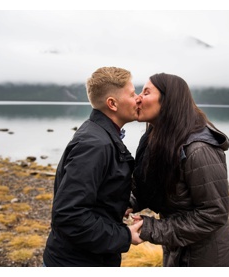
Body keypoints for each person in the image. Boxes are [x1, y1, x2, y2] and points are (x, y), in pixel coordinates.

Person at [129, 73, 229, 267]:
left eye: (146, 92)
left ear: (168, 101)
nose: (137, 98)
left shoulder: (199, 150)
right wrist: (128, 202)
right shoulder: (157, 139)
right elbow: (153, 186)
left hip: (207, 256)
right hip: (178, 247)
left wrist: (153, 228)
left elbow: (214, 214)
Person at [43, 66, 143, 266]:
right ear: (112, 104)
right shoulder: (95, 144)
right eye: (132, 94)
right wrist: (124, 236)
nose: (138, 98)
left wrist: (120, 204)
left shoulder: (101, 135)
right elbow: (69, 215)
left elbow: (97, 194)